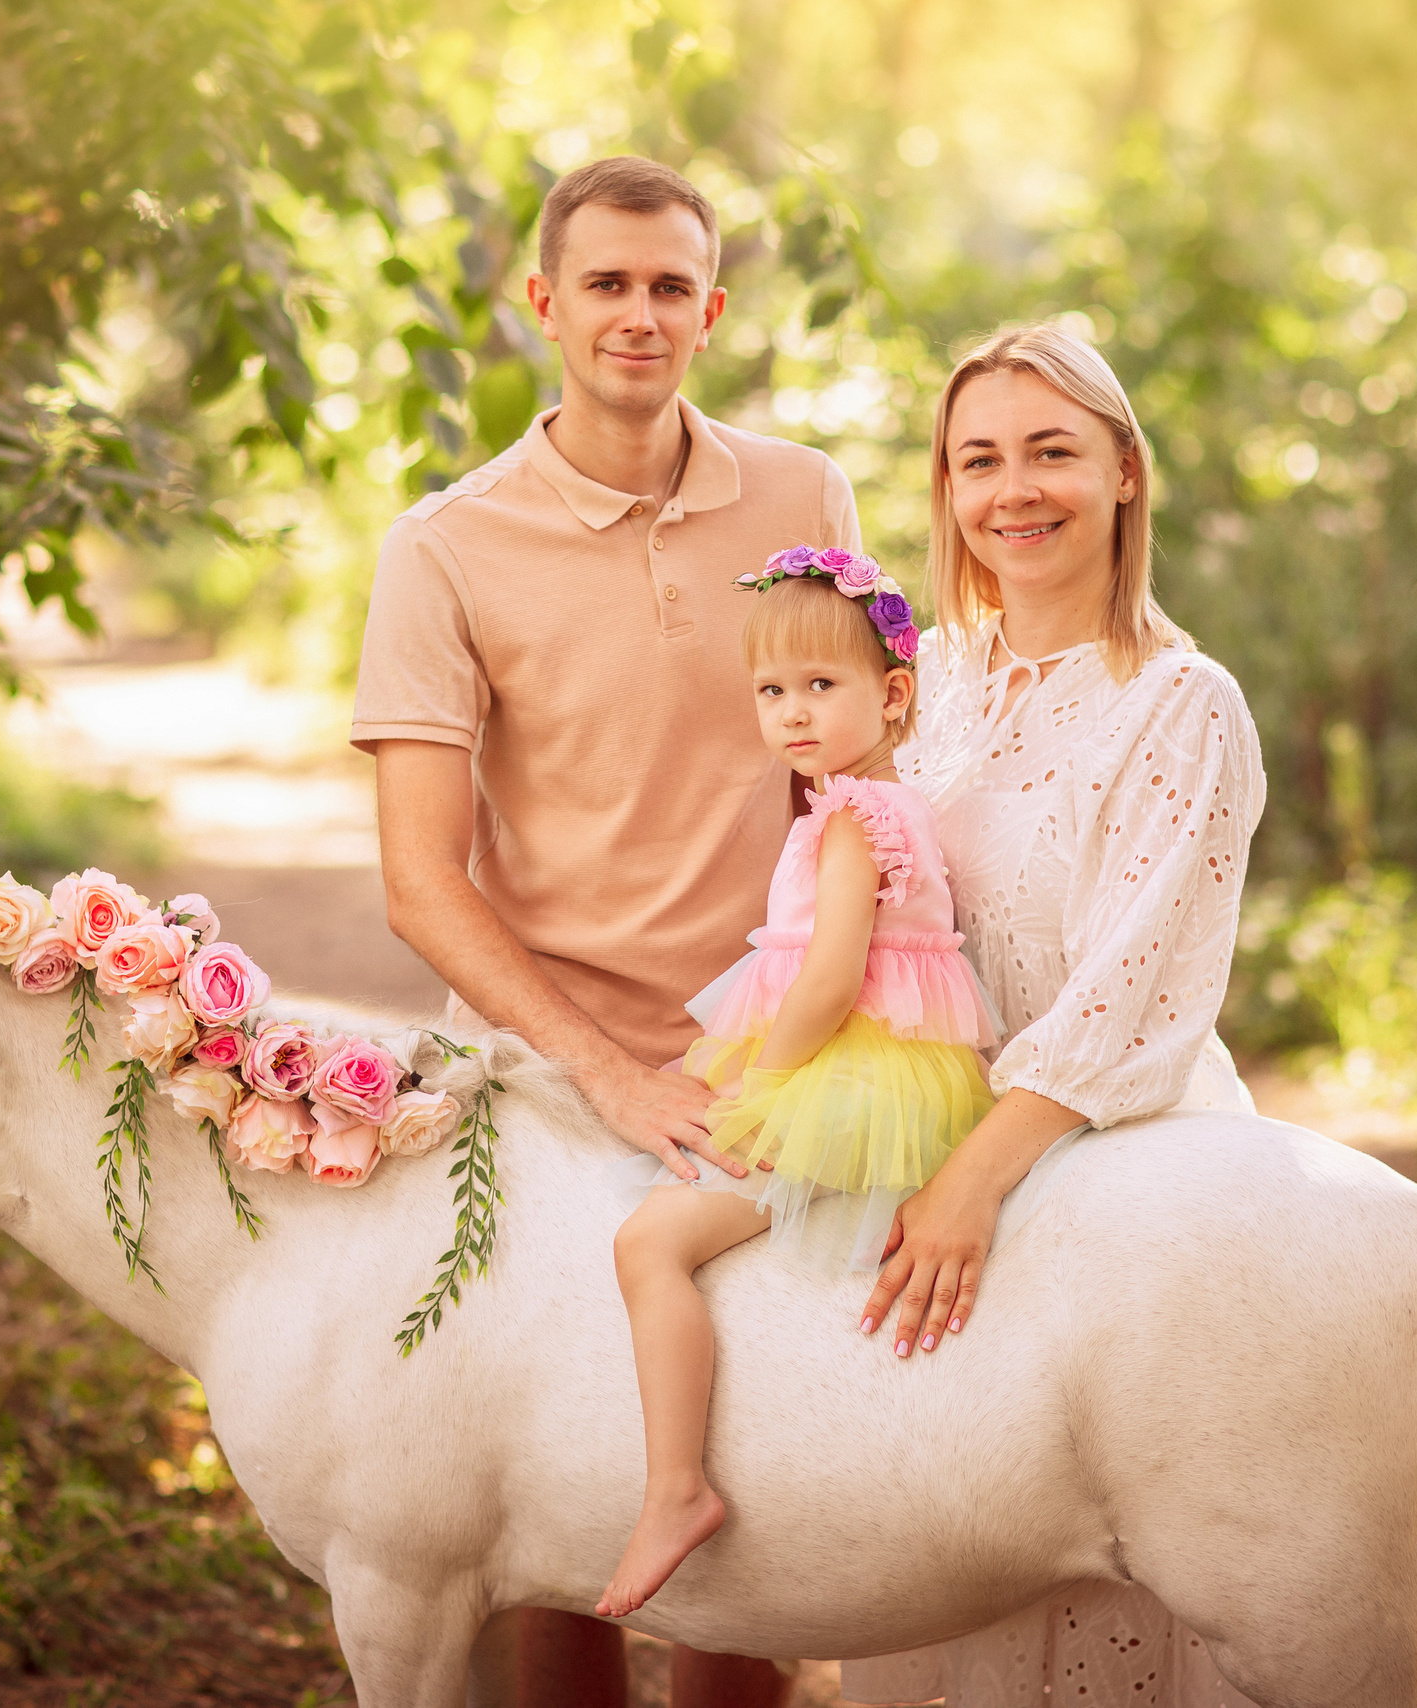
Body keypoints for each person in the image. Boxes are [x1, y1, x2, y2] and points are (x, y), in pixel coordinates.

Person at [353, 154, 857, 1708]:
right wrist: (614, 1078)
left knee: (750, 1543)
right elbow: (421, 880)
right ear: (543, 305)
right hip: (552, 1091)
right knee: (548, 1540)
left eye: (667, 288)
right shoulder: (442, 547)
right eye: (605, 285)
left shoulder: (802, 497)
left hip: (779, 1069)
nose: (636, 315)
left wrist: (819, 1032)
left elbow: (857, 769)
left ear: (711, 310)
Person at [840, 320, 1269, 1706]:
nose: (1013, 489)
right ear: (948, 489)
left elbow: (1129, 988)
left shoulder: (1180, 704)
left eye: (1051, 452)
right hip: (928, 1142)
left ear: (1126, 472)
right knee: (926, 1556)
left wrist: (973, 1178)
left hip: (1111, 1147)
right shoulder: (930, 683)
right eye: (979, 461)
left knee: (1119, 1569)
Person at [596, 556, 999, 1622]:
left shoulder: (848, 820)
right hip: (875, 1065)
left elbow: (827, 978)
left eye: (820, 687)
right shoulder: (885, 806)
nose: (791, 713)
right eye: (772, 692)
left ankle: (676, 1487)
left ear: (893, 696)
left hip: (852, 1077)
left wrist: (765, 1083)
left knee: (649, 1242)